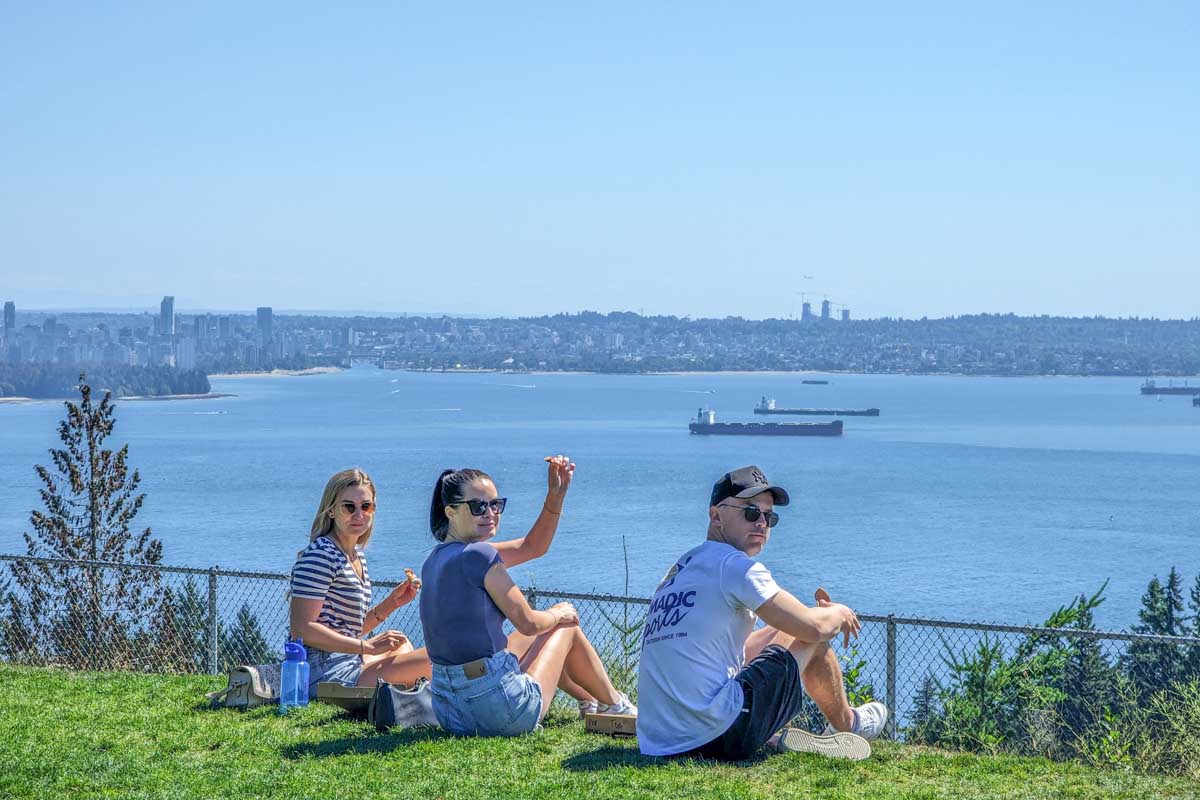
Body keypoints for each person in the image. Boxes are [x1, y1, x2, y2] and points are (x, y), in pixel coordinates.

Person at [637, 465, 889, 761]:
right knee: (811, 631)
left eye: (769, 517)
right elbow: (813, 628)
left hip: (658, 741)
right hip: (718, 735)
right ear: (716, 515)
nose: (762, 523)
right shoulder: (734, 566)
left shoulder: (681, 569)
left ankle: (780, 730)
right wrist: (839, 613)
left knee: (789, 628)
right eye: (751, 512)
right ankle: (849, 725)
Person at [420, 456, 636, 737]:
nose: (490, 513)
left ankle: (589, 700)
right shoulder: (479, 554)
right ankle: (616, 706)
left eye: (495, 504)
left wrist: (555, 496)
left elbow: (533, 546)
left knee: (545, 629)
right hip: (499, 710)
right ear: (450, 512)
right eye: (478, 506)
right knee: (565, 626)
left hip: (450, 711)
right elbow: (529, 623)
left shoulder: (434, 560)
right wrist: (560, 613)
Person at [289, 468, 431, 697]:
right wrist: (368, 647)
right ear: (332, 510)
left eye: (366, 506)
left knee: (401, 644)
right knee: (436, 658)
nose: (359, 514)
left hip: (349, 662)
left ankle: (405, 694)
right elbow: (302, 630)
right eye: (349, 507)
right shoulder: (321, 554)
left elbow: (345, 631)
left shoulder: (355, 555)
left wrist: (391, 603)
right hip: (323, 673)